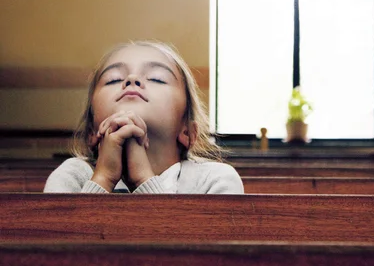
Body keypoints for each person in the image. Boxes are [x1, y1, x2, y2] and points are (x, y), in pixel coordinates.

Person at [44, 40, 244, 194]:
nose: (132, 79)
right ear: (91, 132)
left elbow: (192, 248)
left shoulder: (213, 179)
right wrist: (103, 178)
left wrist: (143, 179)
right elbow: (62, 244)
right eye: (113, 79)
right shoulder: (74, 175)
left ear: (187, 131)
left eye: (157, 78)